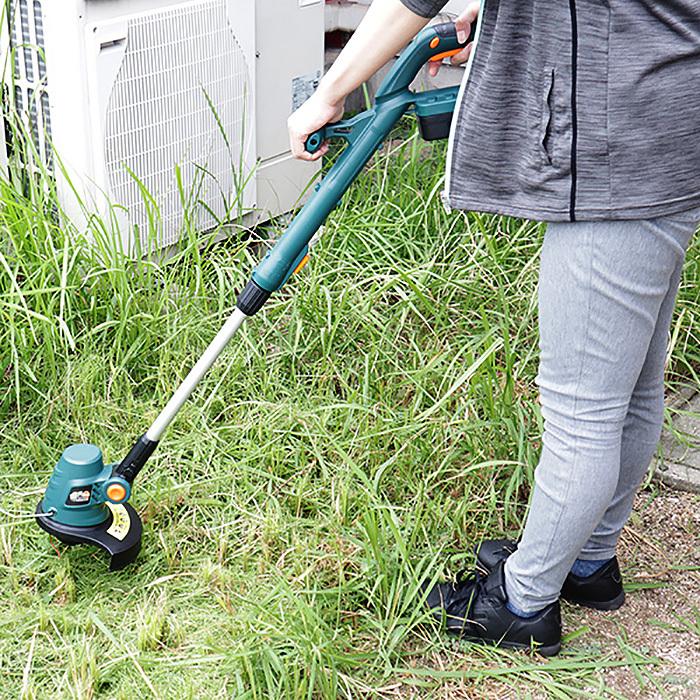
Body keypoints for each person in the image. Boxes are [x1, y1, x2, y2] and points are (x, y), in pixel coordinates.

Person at [288, 0, 700, 656]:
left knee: (583, 411)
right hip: (670, 120)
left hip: (612, 146)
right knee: (631, 384)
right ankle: (587, 563)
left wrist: (329, 92)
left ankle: (522, 602)